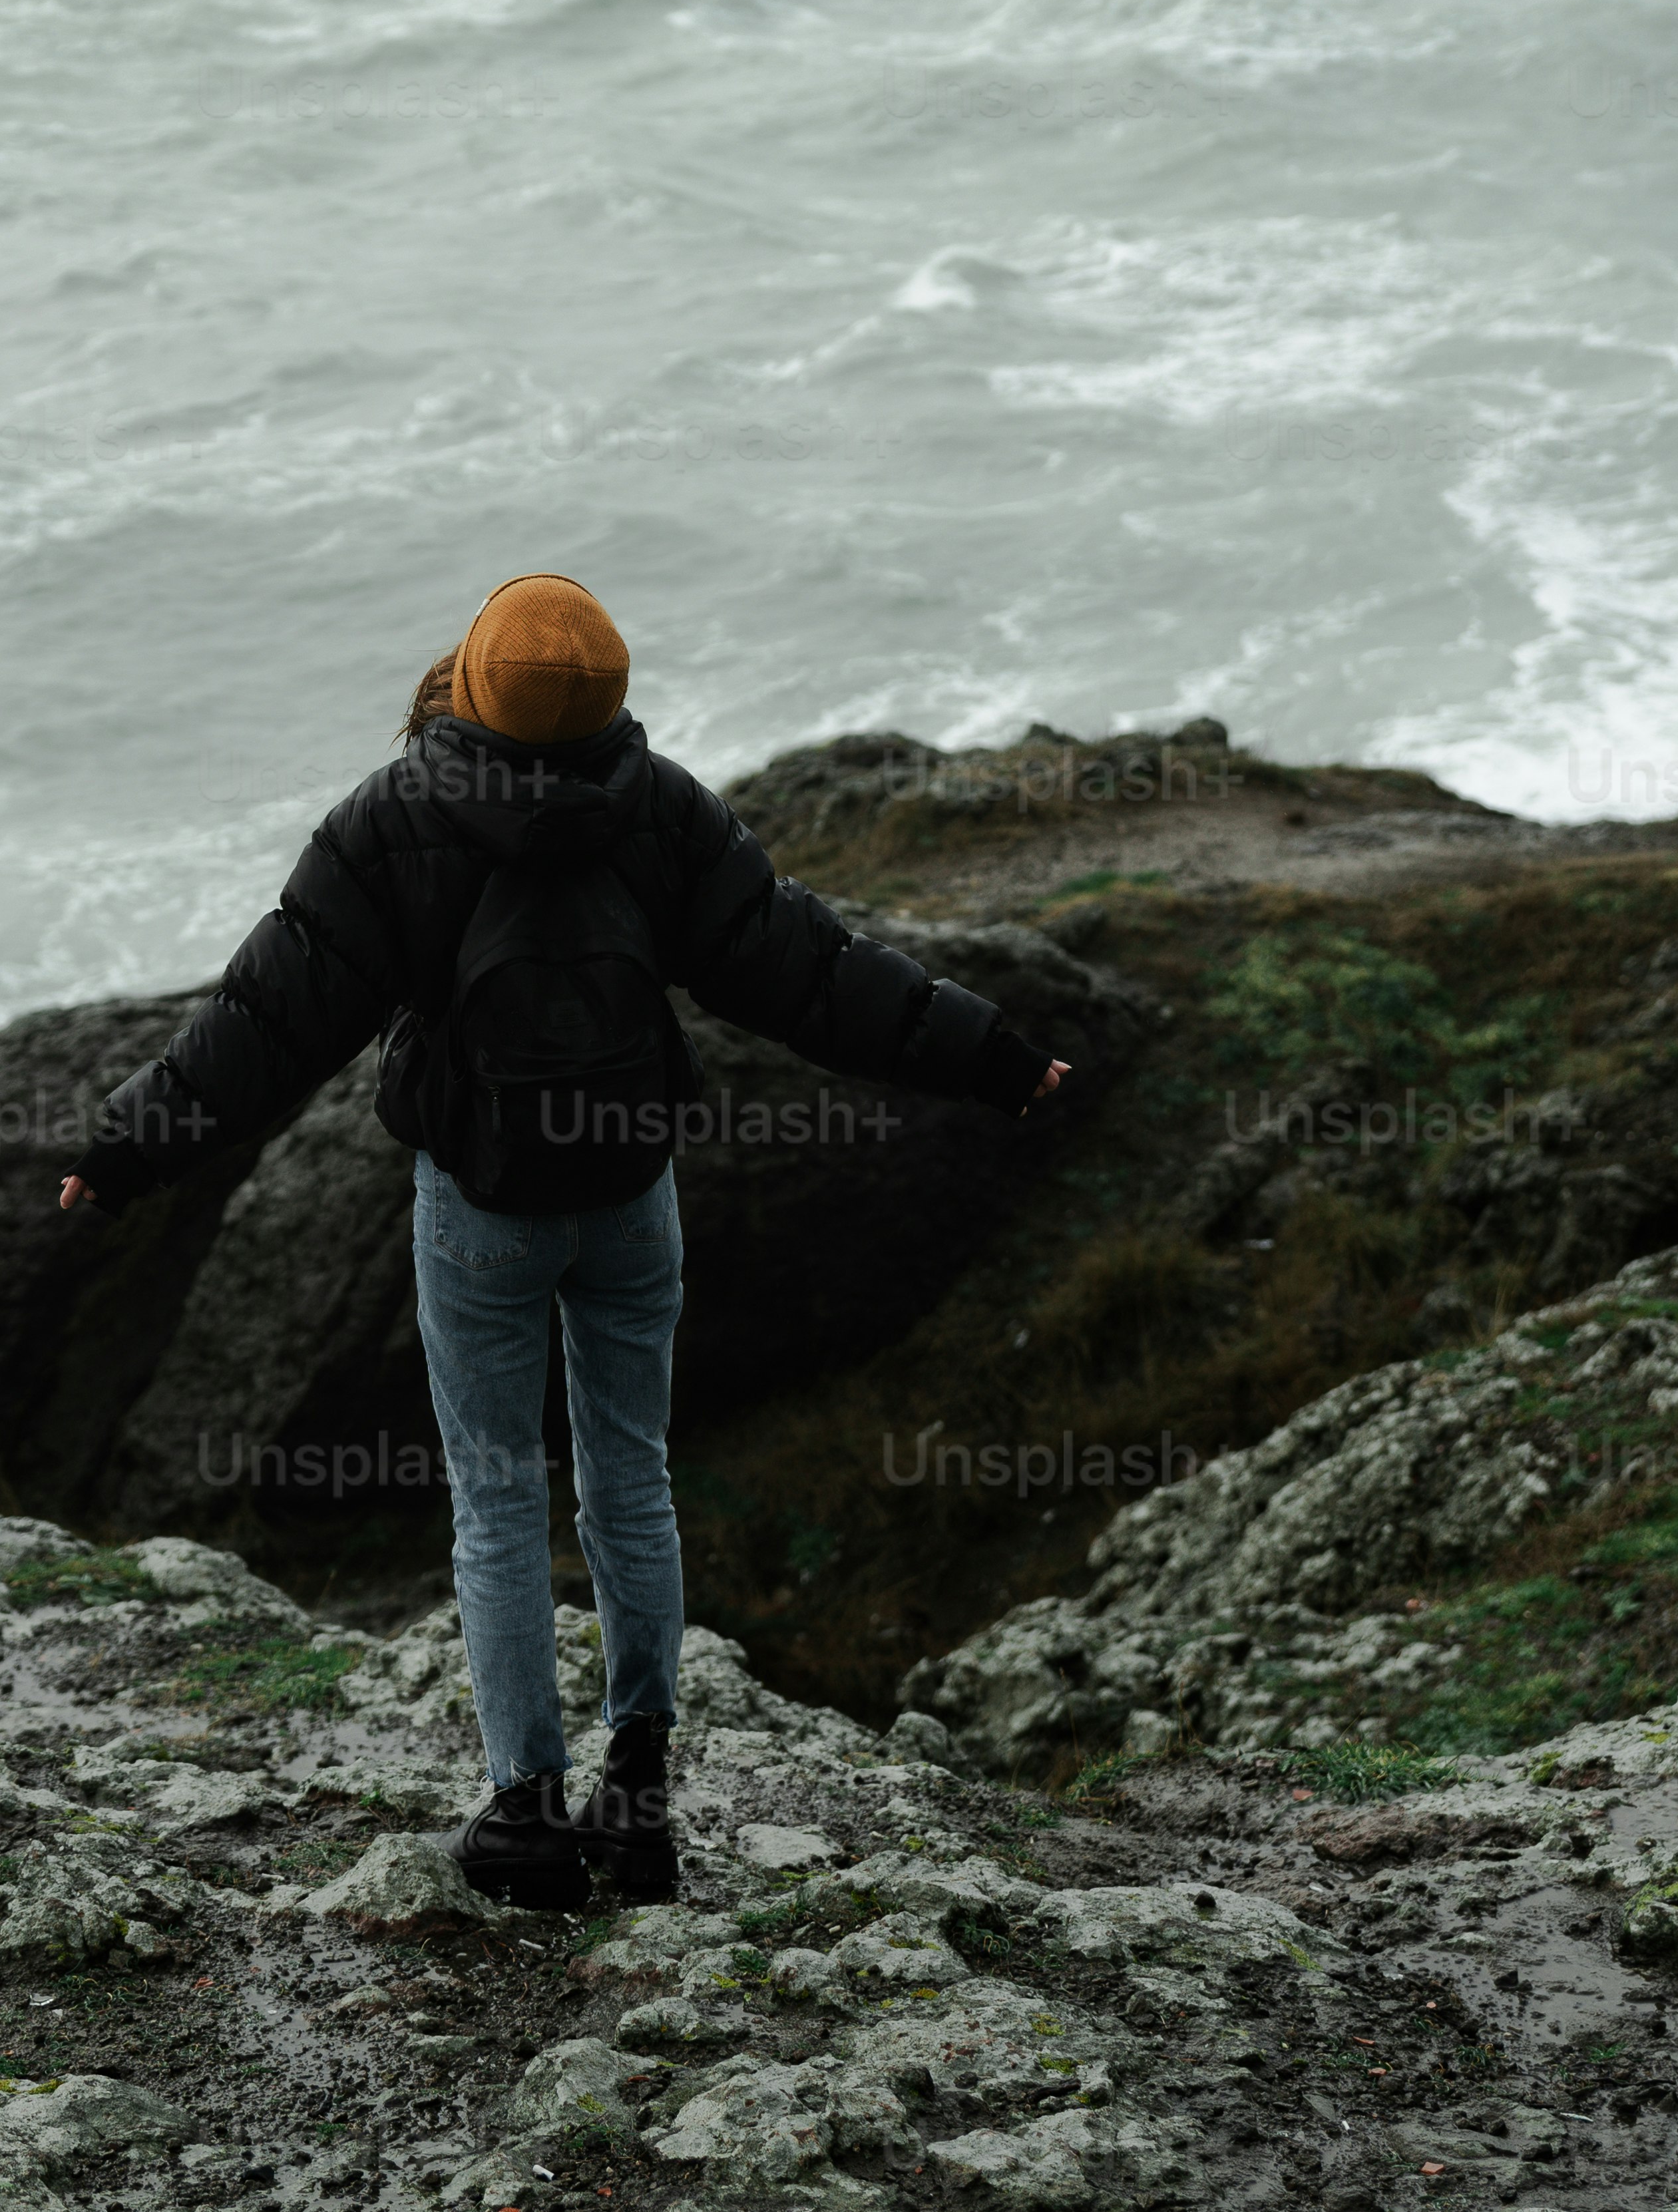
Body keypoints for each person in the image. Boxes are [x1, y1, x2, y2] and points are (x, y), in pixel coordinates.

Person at [59, 572, 1068, 1911]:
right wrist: (991, 1052)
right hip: (627, 1192)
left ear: (466, 681)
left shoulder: (390, 820)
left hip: (478, 1202)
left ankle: (526, 1806)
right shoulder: (657, 808)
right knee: (630, 1476)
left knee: (496, 1495)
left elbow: (268, 1015)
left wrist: (126, 1143)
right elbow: (813, 969)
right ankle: (637, 1796)